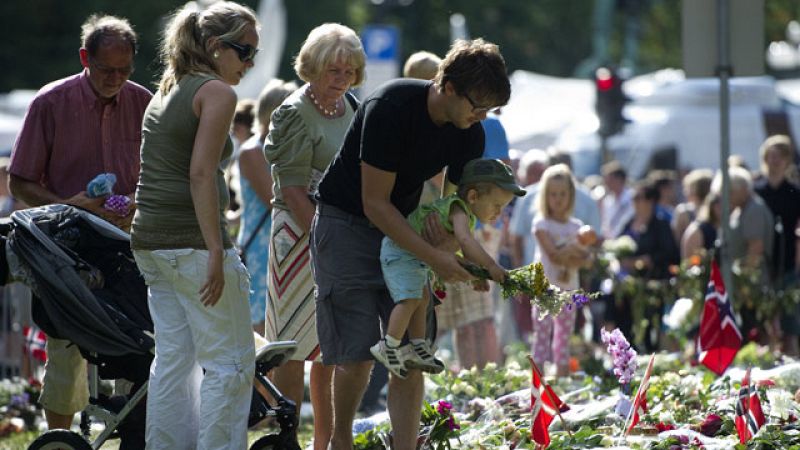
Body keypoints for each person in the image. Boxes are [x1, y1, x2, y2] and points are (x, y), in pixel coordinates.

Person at [311, 38, 510, 450]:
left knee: (412, 354)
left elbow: (454, 207)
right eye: (478, 106)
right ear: (448, 87)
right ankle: (340, 442)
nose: (481, 117)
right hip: (346, 223)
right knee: (356, 354)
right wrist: (433, 256)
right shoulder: (391, 107)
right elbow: (374, 203)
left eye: (489, 110)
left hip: (402, 225)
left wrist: (453, 246)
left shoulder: (468, 133)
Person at [8, 14, 151, 431]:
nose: (116, 79)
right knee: (66, 342)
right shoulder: (50, 102)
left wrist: (137, 201)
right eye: (107, 69)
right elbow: (20, 181)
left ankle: (132, 431)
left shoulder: (143, 102)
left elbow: (158, 173)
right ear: (85, 58)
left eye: (125, 70)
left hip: (127, 242)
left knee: (138, 337)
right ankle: (59, 437)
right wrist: (69, 205)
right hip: (65, 246)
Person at [129, 3, 258, 449]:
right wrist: (216, 250)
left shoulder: (167, 89)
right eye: (245, 51)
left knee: (174, 361)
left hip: (150, 242)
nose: (249, 63)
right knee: (231, 364)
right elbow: (201, 174)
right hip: (192, 244)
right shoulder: (216, 92)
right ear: (215, 46)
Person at [263, 23, 365, 450]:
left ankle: (325, 442)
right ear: (312, 68)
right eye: (332, 71)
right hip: (298, 235)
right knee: (291, 348)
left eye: (348, 71)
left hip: (339, 234)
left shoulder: (353, 106)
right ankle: (287, 440)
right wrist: (328, 240)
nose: (340, 79)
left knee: (329, 349)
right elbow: (291, 189)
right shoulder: (293, 112)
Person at [371, 158, 524, 378]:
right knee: (410, 299)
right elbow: (466, 242)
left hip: (412, 255)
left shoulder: (465, 214)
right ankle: (388, 345)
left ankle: (418, 346)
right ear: (473, 196)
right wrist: (491, 265)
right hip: (400, 251)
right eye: (496, 205)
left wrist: (476, 275)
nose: (499, 213)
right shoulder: (458, 209)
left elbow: (462, 253)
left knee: (423, 299)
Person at [237, 79, 296, 336]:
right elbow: (274, 199)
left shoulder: (286, 149)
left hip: (286, 242)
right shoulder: (252, 151)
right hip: (261, 247)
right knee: (261, 322)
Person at [530, 164, 591, 376]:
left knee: (563, 339)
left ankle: (562, 380)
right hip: (545, 288)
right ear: (545, 196)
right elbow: (553, 254)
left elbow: (586, 260)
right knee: (541, 337)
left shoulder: (577, 226)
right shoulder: (542, 224)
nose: (558, 199)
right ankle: (537, 382)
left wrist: (576, 254)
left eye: (563, 194)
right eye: (553, 194)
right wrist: (574, 250)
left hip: (569, 289)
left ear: (571, 196)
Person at [753, 135, 800, 355]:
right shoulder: (756, 191)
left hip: (788, 262)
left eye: (779, 156)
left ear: (787, 160)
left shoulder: (795, 193)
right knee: (763, 324)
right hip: (761, 264)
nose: (774, 161)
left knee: (790, 325)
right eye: (771, 156)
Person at [672, 168, 713, 246]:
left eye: (688, 189)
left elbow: (676, 241)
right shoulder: (717, 210)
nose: (685, 192)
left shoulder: (683, 212)